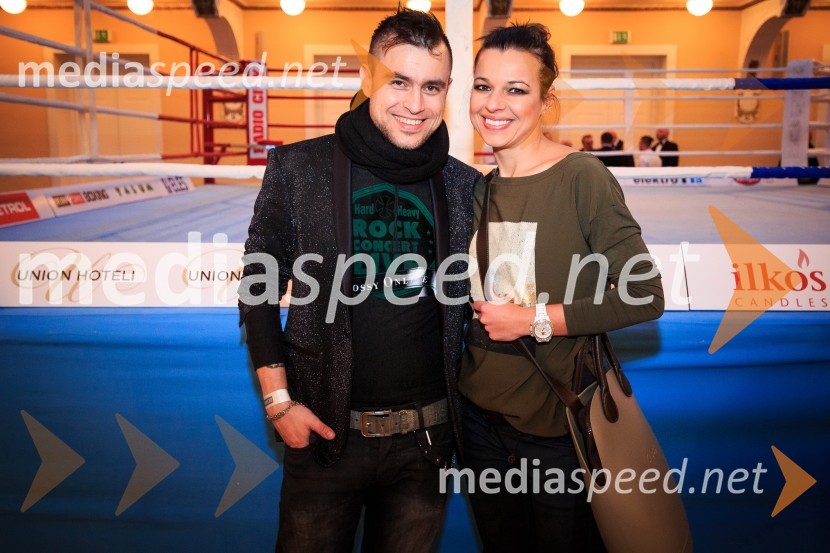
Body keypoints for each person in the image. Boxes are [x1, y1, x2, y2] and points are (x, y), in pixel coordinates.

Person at [238, 8, 481, 552]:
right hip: (326, 436)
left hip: (427, 443)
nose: (415, 104)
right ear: (369, 78)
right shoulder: (299, 169)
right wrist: (279, 403)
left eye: (432, 87)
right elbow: (258, 284)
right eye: (399, 81)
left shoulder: (465, 185)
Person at [461, 22, 664, 552]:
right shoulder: (475, 191)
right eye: (483, 86)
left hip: (555, 431)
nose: (494, 104)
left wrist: (535, 320)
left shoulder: (582, 177)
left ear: (547, 100)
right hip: (478, 426)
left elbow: (644, 293)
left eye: (516, 89)